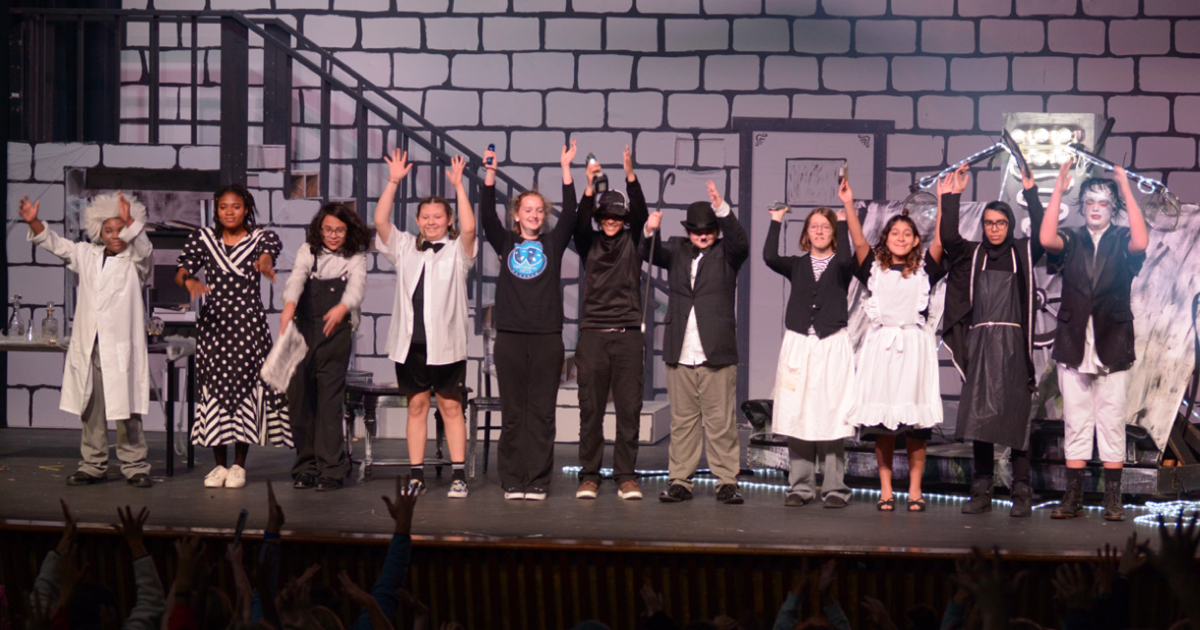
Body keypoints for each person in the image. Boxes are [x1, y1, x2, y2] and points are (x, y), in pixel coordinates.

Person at [1039, 160, 1148, 521]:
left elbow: (1141, 240)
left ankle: (1112, 498)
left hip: (1113, 342)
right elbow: (1045, 238)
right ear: (1082, 207)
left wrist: (1124, 187)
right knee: (1076, 420)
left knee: (1112, 419)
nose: (1096, 209)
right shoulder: (1072, 239)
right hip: (1074, 344)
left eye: (1103, 203)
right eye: (1090, 203)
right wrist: (1058, 189)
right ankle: (1073, 496)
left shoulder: (1121, 239)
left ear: (1112, 208)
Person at [21, 192, 154, 488]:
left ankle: (135, 465)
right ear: (99, 232)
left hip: (120, 348)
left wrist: (131, 219)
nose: (115, 235)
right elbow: (57, 245)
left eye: (121, 229)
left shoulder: (136, 261)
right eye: (108, 230)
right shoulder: (87, 255)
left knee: (126, 408)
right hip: (92, 345)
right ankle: (93, 464)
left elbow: (144, 249)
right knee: (91, 407)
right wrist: (34, 222)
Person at [940, 164, 1046, 517]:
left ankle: (1021, 491)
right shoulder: (973, 255)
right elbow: (949, 238)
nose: (995, 229)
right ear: (983, 226)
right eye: (989, 223)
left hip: (1014, 342)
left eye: (1001, 223)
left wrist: (1031, 194)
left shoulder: (1024, 253)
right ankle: (981, 489)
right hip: (982, 342)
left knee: (1016, 418)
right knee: (980, 419)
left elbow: (1046, 235)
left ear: (1010, 225)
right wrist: (952, 195)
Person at [480, 141, 578, 501]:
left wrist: (566, 169)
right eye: (528, 210)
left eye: (539, 210)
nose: (534, 215)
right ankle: (512, 479)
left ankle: (536, 479)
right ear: (517, 215)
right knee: (513, 412)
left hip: (546, 338)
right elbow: (486, 214)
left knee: (541, 413)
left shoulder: (553, 244)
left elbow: (571, 214)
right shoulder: (505, 242)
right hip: (509, 336)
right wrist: (490, 172)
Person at [375, 150, 476, 498]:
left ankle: (459, 474)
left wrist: (459, 187)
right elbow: (380, 221)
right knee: (416, 406)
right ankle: (416, 474)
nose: (432, 222)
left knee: (450, 406)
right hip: (411, 345)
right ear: (418, 220)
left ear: (449, 221)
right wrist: (393, 181)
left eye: (438, 217)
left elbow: (472, 227)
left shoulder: (457, 251)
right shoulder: (405, 247)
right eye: (426, 217)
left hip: (446, 345)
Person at [176, 183, 291, 489]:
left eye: (236, 206)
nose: (229, 212)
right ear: (216, 209)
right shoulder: (203, 239)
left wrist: (264, 265)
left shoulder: (259, 237)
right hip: (215, 325)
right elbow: (182, 270)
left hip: (247, 326)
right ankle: (218, 466)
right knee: (214, 389)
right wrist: (189, 283)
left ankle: (239, 465)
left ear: (246, 208)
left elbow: (267, 255)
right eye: (224, 206)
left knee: (244, 389)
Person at [763, 178, 868, 509]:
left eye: (825, 227)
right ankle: (801, 485)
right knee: (797, 414)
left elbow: (853, 260)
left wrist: (842, 218)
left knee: (832, 414)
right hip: (798, 345)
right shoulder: (796, 265)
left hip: (831, 344)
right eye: (814, 227)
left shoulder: (840, 265)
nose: (819, 231)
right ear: (806, 233)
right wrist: (775, 221)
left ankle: (835, 487)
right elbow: (768, 256)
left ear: (832, 233)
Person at [644, 180, 749, 505]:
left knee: (720, 422)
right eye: (696, 231)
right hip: (681, 349)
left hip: (715, 350)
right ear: (688, 231)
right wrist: (650, 231)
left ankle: (726, 481)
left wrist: (722, 208)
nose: (702, 236)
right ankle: (680, 480)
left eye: (708, 230)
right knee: (683, 422)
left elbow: (741, 242)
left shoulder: (727, 254)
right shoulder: (677, 250)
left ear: (716, 229)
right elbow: (647, 253)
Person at [848, 199, 946, 512]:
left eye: (907, 233)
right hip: (881, 351)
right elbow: (858, 240)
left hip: (914, 350)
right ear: (886, 239)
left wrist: (946, 200)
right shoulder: (874, 270)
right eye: (895, 233)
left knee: (916, 427)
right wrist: (848, 204)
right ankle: (886, 490)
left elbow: (942, 238)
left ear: (917, 240)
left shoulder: (925, 269)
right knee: (883, 426)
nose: (901, 238)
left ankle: (915, 490)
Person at [572, 146, 649, 501]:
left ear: (625, 219)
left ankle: (626, 476)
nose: (611, 220)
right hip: (592, 335)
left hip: (628, 335)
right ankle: (589, 475)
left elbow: (643, 212)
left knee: (629, 410)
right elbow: (578, 222)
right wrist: (589, 187)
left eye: (617, 216)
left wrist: (630, 175)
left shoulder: (634, 242)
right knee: (591, 410)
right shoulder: (588, 243)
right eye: (605, 216)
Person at [280, 202, 370, 491]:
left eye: (339, 230)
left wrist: (342, 306)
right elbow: (296, 278)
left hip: (336, 334)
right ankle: (306, 466)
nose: (333, 235)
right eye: (328, 229)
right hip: (302, 331)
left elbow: (357, 287)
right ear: (320, 229)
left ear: (349, 231)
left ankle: (332, 469)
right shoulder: (309, 251)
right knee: (300, 402)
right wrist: (289, 305)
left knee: (329, 404)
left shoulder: (356, 257)